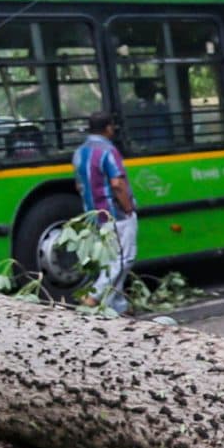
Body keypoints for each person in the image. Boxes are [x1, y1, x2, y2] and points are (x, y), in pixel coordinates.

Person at [73, 110, 138, 315]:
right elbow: (117, 183)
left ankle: (116, 307)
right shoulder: (108, 151)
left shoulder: (79, 152)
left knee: (109, 260)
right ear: (108, 128)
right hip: (115, 214)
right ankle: (94, 296)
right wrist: (128, 208)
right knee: (123, 258)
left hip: (93, 215)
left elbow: (79, 185)